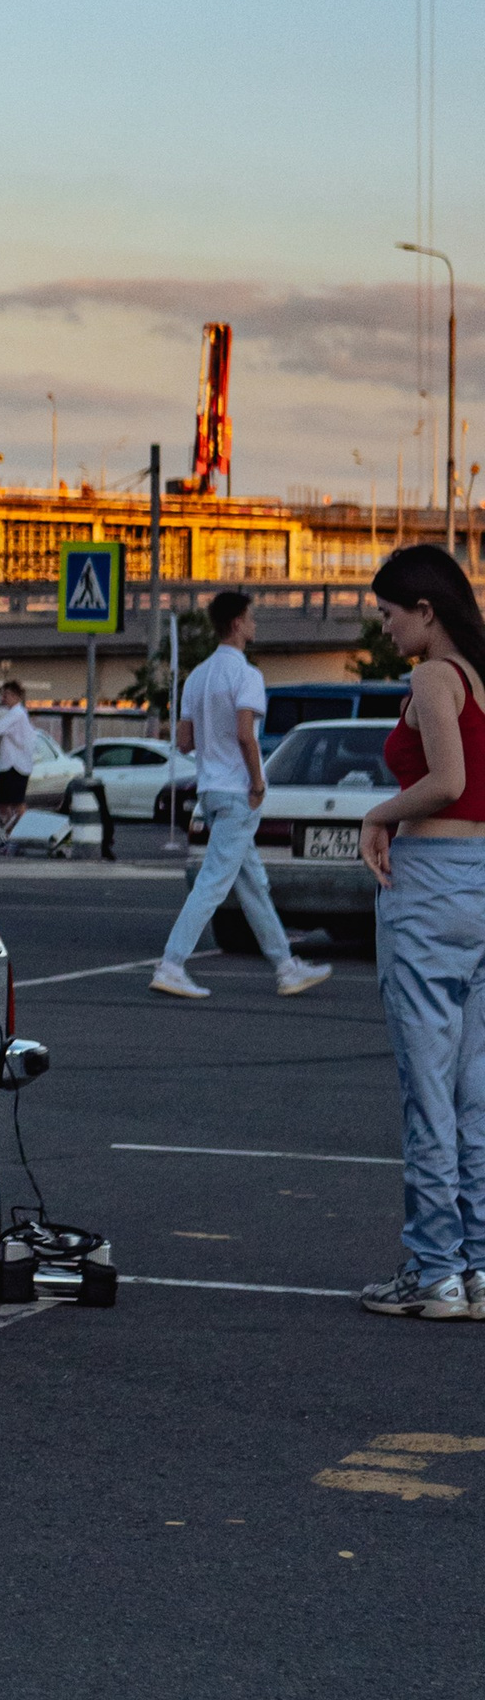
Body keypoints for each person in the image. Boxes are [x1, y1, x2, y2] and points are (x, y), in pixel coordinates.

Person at [354, 544, 485, 1321]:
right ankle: (476, 1269)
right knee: (475, 1094)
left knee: (428, 1092)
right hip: (482, 883)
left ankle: (434, 1270)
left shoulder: (434, 677)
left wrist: (377, 814)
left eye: (390, 612)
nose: (385, 627)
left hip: (432, 884)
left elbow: (447, 780)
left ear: (426, 610)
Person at [151, 590, 330, 1001]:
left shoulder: (196, 676)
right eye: (251, 618)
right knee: (214, 883)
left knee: (251, 884)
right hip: (237, 793)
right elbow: (247, 736)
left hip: (211, 792)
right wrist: (257, 782)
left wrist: (213, 755)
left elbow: (183, 741)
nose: (255, 624)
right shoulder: (246, 675)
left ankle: (286, 966)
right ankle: (172, 964)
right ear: (236, 624)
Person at [0, 679, 37, 853]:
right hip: (7, 764)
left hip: (16, 765)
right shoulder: (12, 714)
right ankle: (10, 836)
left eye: (5, 695)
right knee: (2, 802)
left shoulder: (17, 714)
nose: (2, 698)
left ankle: (20, 837)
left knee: (17, 803)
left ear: (15, 696)